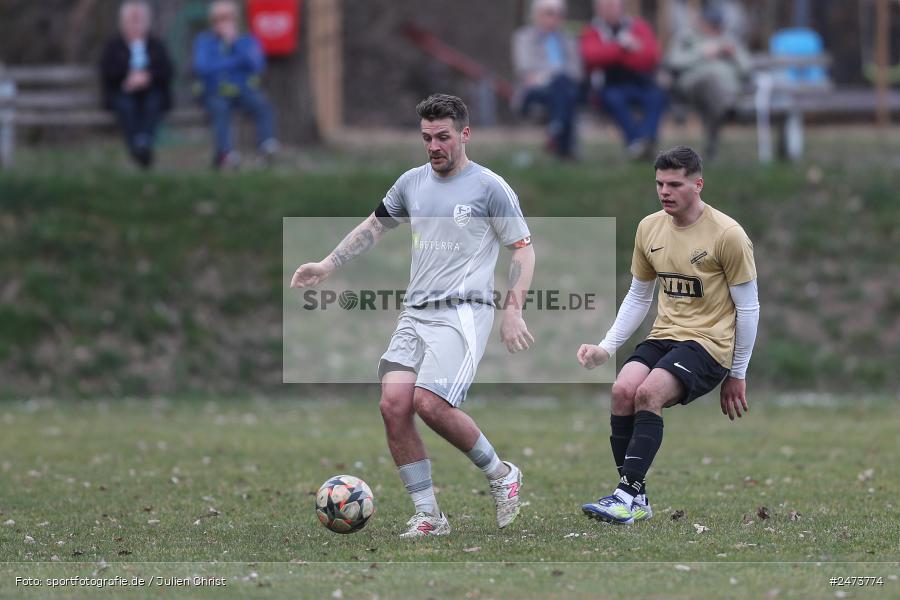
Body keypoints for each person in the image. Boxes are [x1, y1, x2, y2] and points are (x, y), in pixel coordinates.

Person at [290, 94, 536, 538]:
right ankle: (429, 515)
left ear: (465, 134)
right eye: (426, 138)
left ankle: (501, 474)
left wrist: (513, 310)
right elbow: (374, 225)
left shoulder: (490, 187)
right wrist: (328, 264)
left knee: (430, 402)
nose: (434, 146)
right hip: (415, 312)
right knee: (394, 405)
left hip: (463, 313)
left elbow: (523, 248)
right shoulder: (411, 182)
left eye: (443, 136)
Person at [576, 146, 759, 524]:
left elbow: (749, 308)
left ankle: (625, 496)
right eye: (659, 183)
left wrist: (737, 372)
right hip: (666, 335)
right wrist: (607, 347)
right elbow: (639, 295)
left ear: (698, 184)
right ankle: (634, 497)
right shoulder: (649, 227)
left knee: (648, 393)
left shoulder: (728, 235)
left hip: (709, 344)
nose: (664, 191)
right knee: (622, 390)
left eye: (674, 184)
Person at [193, 0, 278, 169]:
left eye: (226, 17)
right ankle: (226, 155)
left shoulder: (246, 40)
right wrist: (233, 63)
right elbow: (202, 68)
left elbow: (256, 64)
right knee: (221, 109)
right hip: (215, 91)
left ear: (235, 19)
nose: (221, 23)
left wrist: (235, 44)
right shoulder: (204, 41)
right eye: (217, 18)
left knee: (262, 105)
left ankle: (267, 146)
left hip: (243, 90)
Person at [580, 0, 667, 160]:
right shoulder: (591, 31)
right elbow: (592, 57)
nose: (611, 10)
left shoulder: (639, 27)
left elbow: (651, 56)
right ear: (598, 9)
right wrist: (622, 48)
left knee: (656, 96)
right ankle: (635, 143)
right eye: (606, 7)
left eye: (614, 6)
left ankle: (646, 140)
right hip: (610, 86)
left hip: (639, 82)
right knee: (614, 99)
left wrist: (613, 54)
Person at [665, 7, 752, 159]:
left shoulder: (729, 40)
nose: (713, 28)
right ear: (701, 23)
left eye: (717, 25)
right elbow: (672, 61)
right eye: (710, 24)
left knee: (716, 96)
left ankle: (712, 144)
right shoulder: (688, 38)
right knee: (711, 80)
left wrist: (734, 55)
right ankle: (729, 109)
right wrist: (702, 53)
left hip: (725, 90)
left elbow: (747, 69)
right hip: (694, 86)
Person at [99, 0, 173, 169]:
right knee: (126, 105)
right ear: (123, 22)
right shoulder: (113, 46)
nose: (135, 24)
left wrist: (148, 77)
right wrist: (128, 78)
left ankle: (143, 142)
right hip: (123, 92)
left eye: (138, 19)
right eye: (131, 20)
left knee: (153, 102)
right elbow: (106, 71)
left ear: (146, 22)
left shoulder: (156, 44)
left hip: (151, 92)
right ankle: (137, 147)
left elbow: (167, 70)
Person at [512, 0, 582, 159]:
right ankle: (565, 147)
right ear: (537, 15)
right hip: (534, 92)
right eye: (549, 13)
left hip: (561, 88)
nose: (554, 18)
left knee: (564, 88)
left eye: (558, 14)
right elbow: (525, 69)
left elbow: (577, 72)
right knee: (565, 90)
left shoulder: (568, 39)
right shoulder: (524, 38)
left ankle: (556, 132)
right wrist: (554, 74)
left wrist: (550, 75)